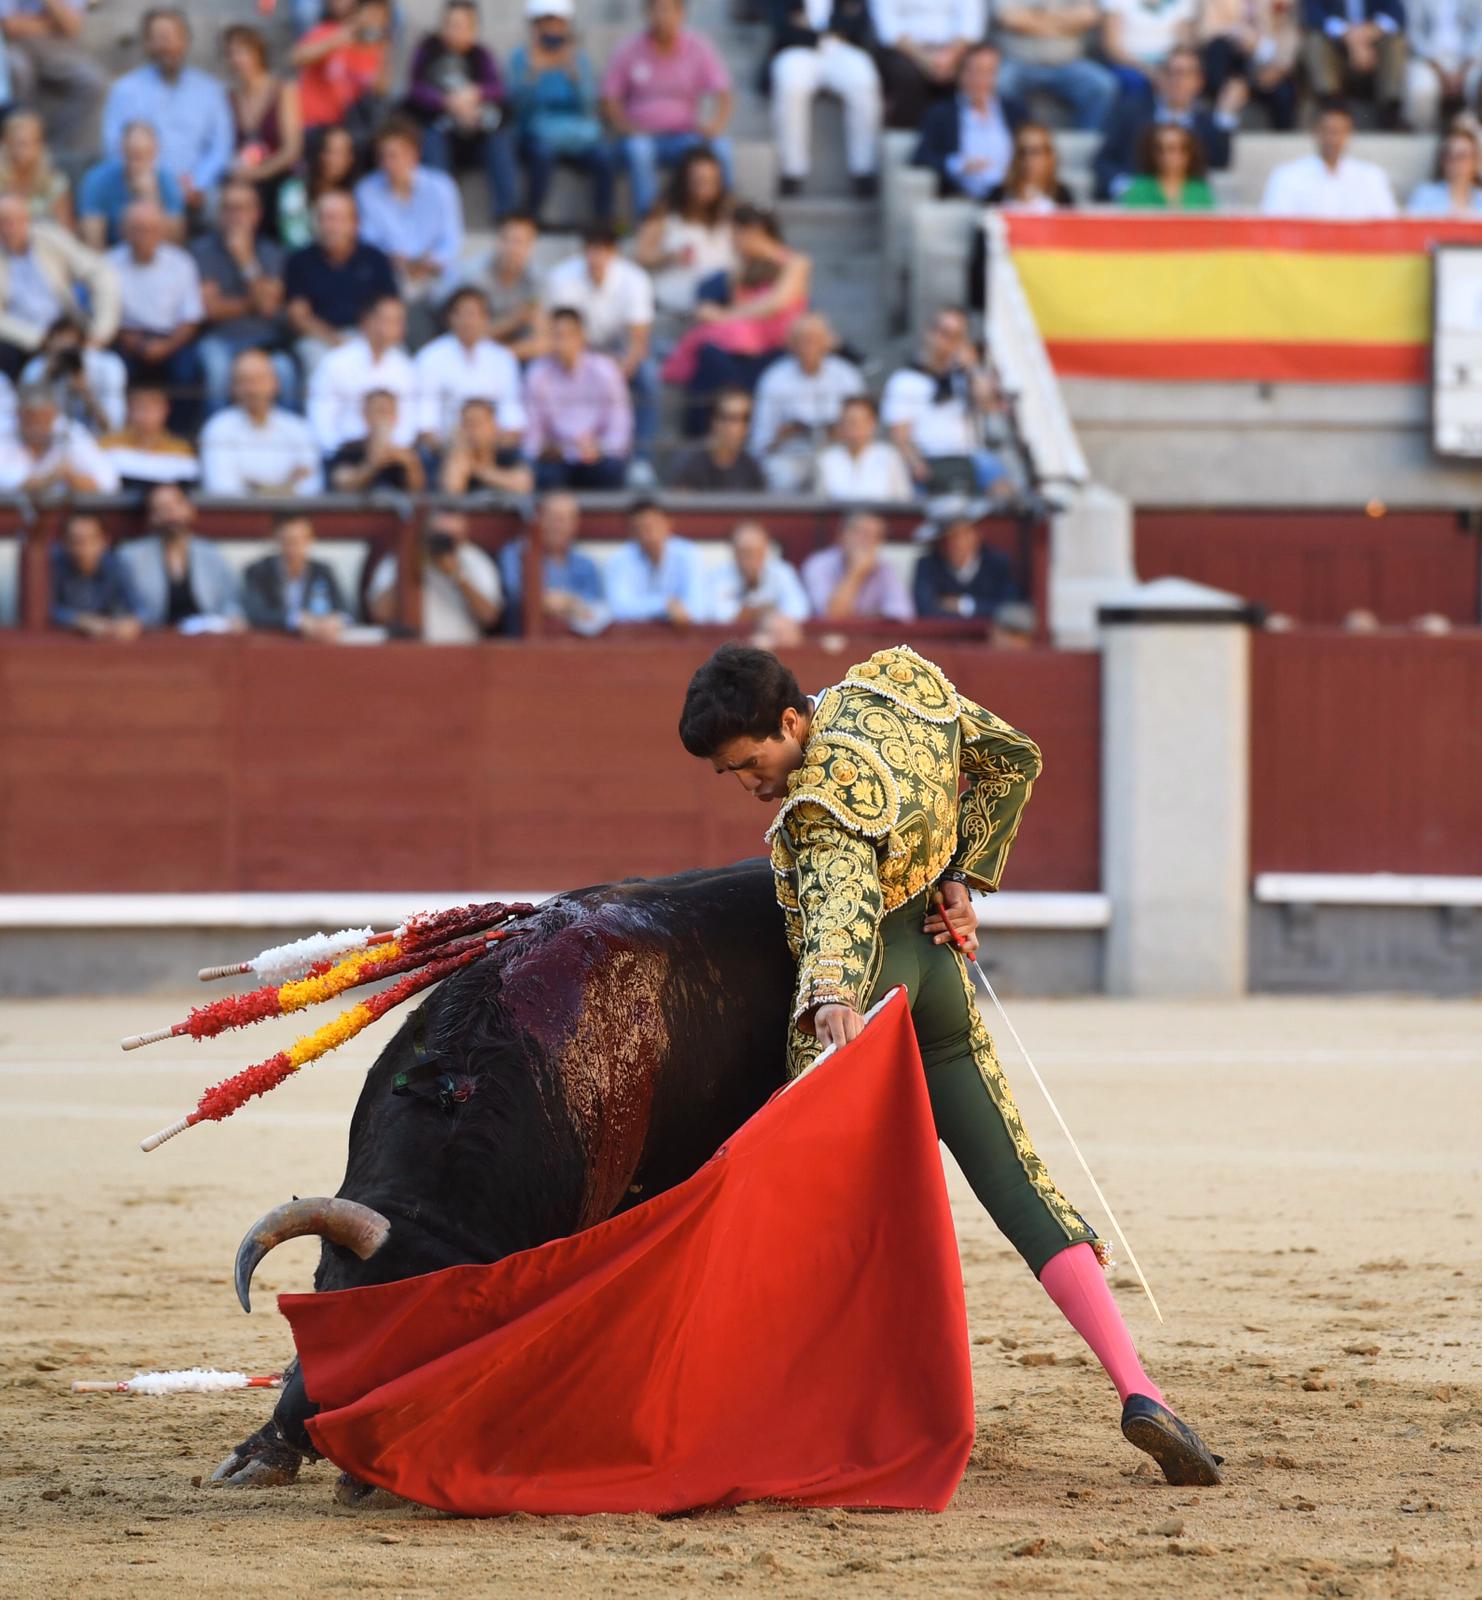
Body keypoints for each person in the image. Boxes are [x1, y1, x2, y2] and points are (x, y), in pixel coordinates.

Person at [675, 641, 1227, 1489]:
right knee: (1016, 1180)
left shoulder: (819, 805)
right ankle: (1140, 1387)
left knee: (794, 1202)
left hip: (866, 985)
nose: (750, 782)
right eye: (730, 774)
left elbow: (839, 899)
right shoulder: (896, 689)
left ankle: (768, 1412)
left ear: (792, 722)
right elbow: (1013, 761)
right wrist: (960, 875)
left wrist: (828, 996)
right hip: (939, 972)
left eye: (751, 762)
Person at [661, 204, 812, 437]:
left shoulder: (796, 262)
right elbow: (738, 307)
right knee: (710, 359)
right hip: (745, 349)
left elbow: (775, 303)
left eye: (736, 236)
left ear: (752, 232)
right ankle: (703, 433)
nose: (733, 243)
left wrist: (724, 316)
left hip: (779, 349)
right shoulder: (740, 269)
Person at [600, 0, 735, 221]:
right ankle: (649, 220)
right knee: (639, 149)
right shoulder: (628, 49)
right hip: (642, 136)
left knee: (722, 147)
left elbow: (724, 91)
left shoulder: (698, 47)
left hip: (685, 135)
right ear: (646, 13)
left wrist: (715, 125)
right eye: (658, 10)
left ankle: (723, 218)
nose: (664, 16)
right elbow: (609, 99)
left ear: (682, 13)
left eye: (670, 10)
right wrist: (627, 127)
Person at [101, 8, 234, 217]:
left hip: (197, 190)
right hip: (140, 187)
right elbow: (113, 147)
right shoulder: (125, 90)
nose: (167, 46)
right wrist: (153, 184)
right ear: (146, 44)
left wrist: (196, 184)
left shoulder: (210, 90)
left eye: (173, 37)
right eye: (159, 38)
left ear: (186, 41)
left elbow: (221, 148)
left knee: (223, 207)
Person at [544, 226, 656, 455]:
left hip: (619, 352)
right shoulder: (562, 278)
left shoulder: (635, 279)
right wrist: (594, 364)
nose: (596, 257)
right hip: (576, 349)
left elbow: (639, 340)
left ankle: (642, 458)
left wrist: (619, 369)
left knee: (648, 376)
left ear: (614, 252)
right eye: (591, 249)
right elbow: (560, 331)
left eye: (603, 250)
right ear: (583, 251)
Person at [405, 0, 519, 222]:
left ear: (473, 29)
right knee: (431, 139)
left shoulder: (481, 55)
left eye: (462, 25)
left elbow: (498, 89)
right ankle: (440, 214)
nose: (455, 31)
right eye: (450, 24)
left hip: (475, 130)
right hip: (439, 127)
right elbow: (415, 89)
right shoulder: (428, 50)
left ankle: (507, 215)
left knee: (501, 139)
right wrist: (445, 101)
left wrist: (475, 95)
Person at [507, 0, 615, 224]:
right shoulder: (521, 58)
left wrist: (575, 77)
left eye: (558, 23)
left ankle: (602, 223)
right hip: (536, 134)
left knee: (604, 157)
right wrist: (532, 74)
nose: (552, 29)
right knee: (542, 155)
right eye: (546, 23)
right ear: (535, 26)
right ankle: (531, 218)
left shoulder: (578, 59)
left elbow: (588, 108)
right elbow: (517, 110)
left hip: (575, 136)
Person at [192, 180, 293, 416]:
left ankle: (285, 438)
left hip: (265, 342)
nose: (235, 216)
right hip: (220, 339)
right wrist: (253, 301)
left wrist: (245, 260)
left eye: (242, 208)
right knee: (217, 369)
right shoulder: (202, 250)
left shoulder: (272, 252)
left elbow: (268, 307)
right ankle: (215, 435)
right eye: (228, 208)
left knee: (285, 371)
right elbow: (211, 310)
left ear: (256, 214)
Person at [880, 305, 1005, 495]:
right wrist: (915, 463)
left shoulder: (965, 377)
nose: (947, 342)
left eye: (957, 337)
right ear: (929, 333)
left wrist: (973, 368)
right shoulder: (905, 380)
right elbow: (899, 434)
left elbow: (989, 405)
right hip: (928, 458)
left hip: (968, 456)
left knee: (1004, 486)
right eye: (944, 333)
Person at [767, 0, 883, 196]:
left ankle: (863, 169)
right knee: (790, 83)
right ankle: (792, 170)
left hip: (841, 50)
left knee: (864, 80)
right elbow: (780, 24)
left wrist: (817, 29)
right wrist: (827, 32)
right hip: (798, 50)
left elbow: (859, 24)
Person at [106, 200, 203, 430]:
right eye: (137, 229)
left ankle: (179, 435)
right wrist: (134, 342)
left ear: (161, 231)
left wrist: (166, 346)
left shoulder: (181, 263)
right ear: (123, 232)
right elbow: (105, 316)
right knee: (113, 371)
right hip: (125, 338)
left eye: (150, 229)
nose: (144, 235)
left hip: (172, 338)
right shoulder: (109, 263)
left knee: (188, 372)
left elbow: (191, 318)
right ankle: (119, 432)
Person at [1093, 45, 1237, 199]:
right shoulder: (1131, 113)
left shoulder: (1206, 123)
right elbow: (1104, 160)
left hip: (1187, 210)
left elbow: (1220, 160)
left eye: (1185, 74)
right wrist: (1125, 188)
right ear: (1160, 77)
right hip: (1134, 209)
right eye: (1171, 72)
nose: (1177, 80)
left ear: (1199, 81)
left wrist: (1225, 113)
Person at [354, 116, 464, 315]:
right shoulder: (366, 190)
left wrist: (429, 263)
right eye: (382, 156)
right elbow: (368, 239)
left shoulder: (442, 187)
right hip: (390, 275)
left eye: (393, 155)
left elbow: (451, 239)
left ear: (413, 154)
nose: (387, 163)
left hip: (435, 274)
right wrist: (396, 260)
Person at [0, 196, 118, 379]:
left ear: (27, 219)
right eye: (2, 223)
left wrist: (101, 332)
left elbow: (100, 273)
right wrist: (41, 340)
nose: (8, 229)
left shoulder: (50, 238)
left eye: (13, 222)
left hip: (67, 328)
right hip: (21, 340)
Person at [748, 311, 865, 492]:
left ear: (828, 342)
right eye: (802, 340)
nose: (809, 346)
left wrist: (838, 432)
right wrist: (782, 436)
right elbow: (760, 441)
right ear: (791, 344)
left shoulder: (846, 376)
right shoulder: (774, 378)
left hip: (837, 453)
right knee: (780, 475)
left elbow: (864, 427)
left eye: (815, 339)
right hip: (790, 455)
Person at [284, 192, 398, 376]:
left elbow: (390, 307)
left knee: (397, 359)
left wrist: (368, 341)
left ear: (355, 224)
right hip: (320, 338)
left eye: (338, 219)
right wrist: (337, 342)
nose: (330, 226)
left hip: (370, 335)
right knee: (319, 363)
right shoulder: (299, 261)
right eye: (324, 219)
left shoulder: (375, 259)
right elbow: (298, 317)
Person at [523, 307, 632, 489]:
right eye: (556, 335)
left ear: (582, 337)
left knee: (611, 469)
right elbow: (531, 438)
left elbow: (619, 433)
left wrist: (598, 449)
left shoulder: (605, 371)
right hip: (555, 459)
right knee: (539, 474)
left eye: (567, 335)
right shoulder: (537, 374)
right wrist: (549, 449)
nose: (561, 342)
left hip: (597, 457)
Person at [117, 483, 245, 632]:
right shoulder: (131, 556)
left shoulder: (211, 554)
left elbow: (230, 601)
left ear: (190, 509)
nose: (170, 515)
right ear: (151, 517)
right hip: (152, 641)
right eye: (161, 509)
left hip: (207, 640)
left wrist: (234, 618)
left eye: (175, 506)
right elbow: (124, 607)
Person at [366, 507, 504, 642]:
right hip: (413, 654)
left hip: (461, 652)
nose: (442, 545)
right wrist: (410, 569)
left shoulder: (474, 559)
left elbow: (489, 617)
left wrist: (457, 575)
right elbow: (380, 614)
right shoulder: (402, 557)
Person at [199, 348, 324, 496]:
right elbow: (222, 490)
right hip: (240, 518)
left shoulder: (298, 428)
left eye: (259, 379)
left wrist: (253, 485)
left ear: (276, 383)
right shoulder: (217, 428)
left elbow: (310, 488)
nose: (252, 389)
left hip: (291, 517)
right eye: (244, 381)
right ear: (232, 387)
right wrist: (286, 484)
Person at [414, 285, 526, 451]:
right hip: (446, 448)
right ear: (450, 318)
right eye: (463, 314)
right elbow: (426, 420)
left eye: (474, 314)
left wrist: (492, 445)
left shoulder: (502, 359)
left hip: (494, 448)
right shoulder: (429, 357)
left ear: (485, 318)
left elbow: (512, 417)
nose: (469, 321)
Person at [632, 145, 737, 319]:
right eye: (699, 181)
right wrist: (670, 256)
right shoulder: (663, 213)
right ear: (684, 181)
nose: (706, 188)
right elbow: (642, 256)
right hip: (678, 299)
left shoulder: (731, 211)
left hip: (722, 300)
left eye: (712, 181)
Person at [912, 43, 1027, 200]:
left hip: (1012, 192)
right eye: (976, 71)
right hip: (963, 193)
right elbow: (921, 156)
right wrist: (958, 164)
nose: (981, 79)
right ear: (961, 73)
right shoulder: (942, 113)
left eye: (989, 72)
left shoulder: (1015, 110)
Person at [309, 294, 415, 455]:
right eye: (387, 319)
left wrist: (395, 449)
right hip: (346, 452)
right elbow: (321, 419)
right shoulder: (335, 363)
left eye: (398, 320)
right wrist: (336, 453)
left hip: (391, 455)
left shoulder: (405, 367)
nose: (394, 326)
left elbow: (408, 420)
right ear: (366, 321)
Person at [223, 24, 304, 232]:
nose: (236, 59)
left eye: (242, 52)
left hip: (279, 179)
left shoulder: (283, 89)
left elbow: (292, 149)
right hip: (245, 183)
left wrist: (257, 174)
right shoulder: (230, 96)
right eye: (231, 53)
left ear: (258, 52)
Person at [0, 0, 106, 157]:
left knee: (94, 83)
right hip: (17, 46)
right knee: (18, 70)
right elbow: (10, 26)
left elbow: (71, 27)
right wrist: (51, 25)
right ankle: (19, 139)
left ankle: (50, 146)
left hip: (58, 47)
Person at [497, 488, 610, 636]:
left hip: (578, 649)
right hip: (523, 646)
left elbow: (592, 611)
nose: (558, 526)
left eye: (564, 519)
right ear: (539, 519)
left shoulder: (586, 564)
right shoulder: (516, 553)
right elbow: (519, 597)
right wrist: (570, 603)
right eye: (552, 518)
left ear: (575, 524)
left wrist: (560, 603)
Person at [1260, 98, 1397, 217]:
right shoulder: (1286, 176)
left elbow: (1386, 229)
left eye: (1339, 131)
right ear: (1315, 131)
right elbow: (1274, 231)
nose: (1333, 139)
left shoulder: (1372, 177)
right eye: (1327, 130)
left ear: (1349, 133)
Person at [994, 0, 1117, 131]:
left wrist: (1035, 19)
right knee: (999, 83)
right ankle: (1010, 142)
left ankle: (1085, 143)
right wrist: (1065, 22)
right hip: (1019, 62)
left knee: (1102, 85)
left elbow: (1088, 16)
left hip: (1068, 63)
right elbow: (1010, 18)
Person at [869, 0, 986, 129]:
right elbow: (888, 27)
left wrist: (950, 57)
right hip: (906, 51)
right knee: (905, 74)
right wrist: (926, 60)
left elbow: (970, 24)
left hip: (956, 50)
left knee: (976, 69)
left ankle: (964, 136)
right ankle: (904, 139)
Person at [292, 0, 393, 147]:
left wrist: (385, 53)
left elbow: (380, 90)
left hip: (347, 129)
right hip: (314, 124)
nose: (374, 20)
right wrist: (337, 40)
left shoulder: (376, 49)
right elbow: (297, 58)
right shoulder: (331, 31)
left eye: (381, 17)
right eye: (371, 14)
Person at [78, 120, 187, 250]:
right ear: (122, 150)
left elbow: (175, 242)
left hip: (155, 260)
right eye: (132, 154)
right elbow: (92, 239)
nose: (137, 163)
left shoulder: (167, 182)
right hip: (112, 256)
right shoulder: (98, 180)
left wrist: (151, 197)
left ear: (155, 151)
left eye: (143, 155)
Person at [604, 495, 708, 624]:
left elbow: (698, 610)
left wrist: (667, 609)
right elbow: (618, 609)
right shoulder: (619, 559)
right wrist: (664, 605)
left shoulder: (689, 555)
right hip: (635, 639)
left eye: (652, 526)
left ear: (668, 524)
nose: (647, 534)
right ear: (631, 532)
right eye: (639, 529)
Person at [242, 513, 350, 639]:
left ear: (310, 540)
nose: (293, 548)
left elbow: (345, 611)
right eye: (287, 541)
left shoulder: (323, 571)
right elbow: (254, 613)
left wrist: (334, 621)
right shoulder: (258, 571)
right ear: (275, 539)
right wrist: (297, 619)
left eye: (299, 540)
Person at [1302, 0, 1408, 127]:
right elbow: (1313, 16)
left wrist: (1369, 33)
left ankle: (1390, 110)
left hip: (1374, 50)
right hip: (1338, 50)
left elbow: (1397, 14)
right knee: (1315, 40)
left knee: (1394, 42)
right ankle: (1330, 107)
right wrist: (1347, 34)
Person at [1195, 0, 1299, 129]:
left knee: (1284, 91)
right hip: (1231, 63)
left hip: (1268, 66)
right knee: (1219, 49)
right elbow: (1207, 31)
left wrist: (1279, 66)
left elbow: (1290, 34)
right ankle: (1225, 109)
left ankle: (1283, 138)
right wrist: (1240, 34)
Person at [0, 382, 118, 493]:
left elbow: (109, 482)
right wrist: (53, 477)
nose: (36, 424)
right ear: (18, 413)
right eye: (29, 416)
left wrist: (72, 477)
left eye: (44, 417)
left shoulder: (71, 433)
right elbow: (9, 482)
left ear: (54, 414)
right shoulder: (4, 430)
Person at [800, 508, 913, 620]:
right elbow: (830, 615)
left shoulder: (884, 568)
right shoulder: (818, 564)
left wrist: (857, 618)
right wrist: (856, 572)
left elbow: (902, 614)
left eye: (875, 536)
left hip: (869, 637)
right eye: (861, 533)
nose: (866, 541)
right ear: (841, 535)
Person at [21, 316, 127, 433]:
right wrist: (47, 376)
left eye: (71, 344)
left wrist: (85, 392)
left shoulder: (106, 365)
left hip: (95, 439)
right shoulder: (38, 366)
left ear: (84, 344)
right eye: (59, 341)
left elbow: (112, 427)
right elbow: (26, 414)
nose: (65, 348)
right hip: (49, 439)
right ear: (48, 344)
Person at [49, 511, 141, 639]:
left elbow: (141, 608)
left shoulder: (116, 565)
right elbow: (45, 609)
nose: (84, 548)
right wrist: (78, 620)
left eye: (92, 540)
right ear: (64, 543)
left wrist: (132, 622)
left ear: (105, 541)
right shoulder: (52, 564)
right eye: (76, 541)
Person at [912, 512, 1022, 619]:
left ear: (976, 536)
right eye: (946, 538)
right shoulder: (927, 565)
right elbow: (925, 610)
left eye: (960, 535)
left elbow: (1009, 608)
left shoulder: (997, 564)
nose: (954, 544)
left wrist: (964, 605)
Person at [707, 519, 810, 627]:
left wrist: (754, 613)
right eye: (746, 552)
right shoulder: (719, 576)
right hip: (731, 640)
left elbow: (800, 611)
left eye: (758, 552)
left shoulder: (782, 572)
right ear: (734, 552)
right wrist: (765, 610)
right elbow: (719, 616)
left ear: (765, 549)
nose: (752, 558)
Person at [99, 381, 199, 489]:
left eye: (151, 408)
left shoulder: (181, 450)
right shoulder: (108, 445)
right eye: (138, 407)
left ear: (166, 409)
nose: (144, 415)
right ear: (128, 409)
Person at [814, 393, 913, 500]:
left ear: (872, 423)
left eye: (857, 422)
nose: (852, 427)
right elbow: (821, 502)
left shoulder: (890, 456)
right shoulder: (827, 459)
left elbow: (903, 500)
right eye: (847, 421)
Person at [665, 386, 767, 490]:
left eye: (745, 419)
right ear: (713, 420)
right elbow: (681, 502)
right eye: (731, 418)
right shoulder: (689, 462)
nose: (738, 427)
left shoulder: (751, 467)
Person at [328, 386, 425, 491]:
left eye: (387, 411)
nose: (382, 417)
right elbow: (342, 484)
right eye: (378, 411)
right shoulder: (349, 450)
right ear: (364, 414)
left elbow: (418, 490)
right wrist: (372, 463)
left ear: (396, 416)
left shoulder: (408, 454)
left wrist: (409, 464)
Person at [1403, 0, 1482, 127]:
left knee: (1478, 82)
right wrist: (1439, 69)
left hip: (1468, 59)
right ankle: (1422, 135)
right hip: (1429, 59)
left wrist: (1464, 68)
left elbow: (1480, 30)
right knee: (1421, 90)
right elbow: (1414, 33)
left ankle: (1475, 134)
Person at [481, 211, 545, 359]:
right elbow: (469, 335)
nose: (512, 248)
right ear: (497, 241)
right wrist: (515, 321)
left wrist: (503, 355)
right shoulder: (476, 278)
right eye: (507, 240)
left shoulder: (536, 280)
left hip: (516, 354)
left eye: (519, 242)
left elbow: (543, 341)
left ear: (531, 245)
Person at [1101, 0, 1200, 94]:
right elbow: (1113, 47)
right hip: (1129, 65)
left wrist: (1170, 68)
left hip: (1169, 62)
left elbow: (1185, 40)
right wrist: (1148, 70)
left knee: (1182, 77)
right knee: (1135, 81)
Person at [440, 396, 533, 494]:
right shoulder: (456, 454)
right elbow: (451, 492)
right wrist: (459, 458)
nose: (473, 430)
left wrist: (478, 469)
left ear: (494, 425)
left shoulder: (509, 452)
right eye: (467, 424)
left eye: (478, 423)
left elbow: (523, 484)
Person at [0, 110, 72, 229]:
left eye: (26, 143)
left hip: (44, 244)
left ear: (39, 145)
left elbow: (65, 230)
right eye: (16, 143)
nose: (20, 150)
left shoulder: (54, 183)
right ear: (6, 144)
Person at [1121, 121, 1216, 207]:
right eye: (1159, 149)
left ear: (1189, 153)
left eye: (1173, 148)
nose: (1166, 155)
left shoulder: (1200, 192)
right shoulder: (1139, 190)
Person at [1408, 123, 1482, 215]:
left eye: (1462, 156)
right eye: (1450, 156)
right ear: (1442, 160)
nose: (1455, 163)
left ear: (1475, 160)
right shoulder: (1425, 195)